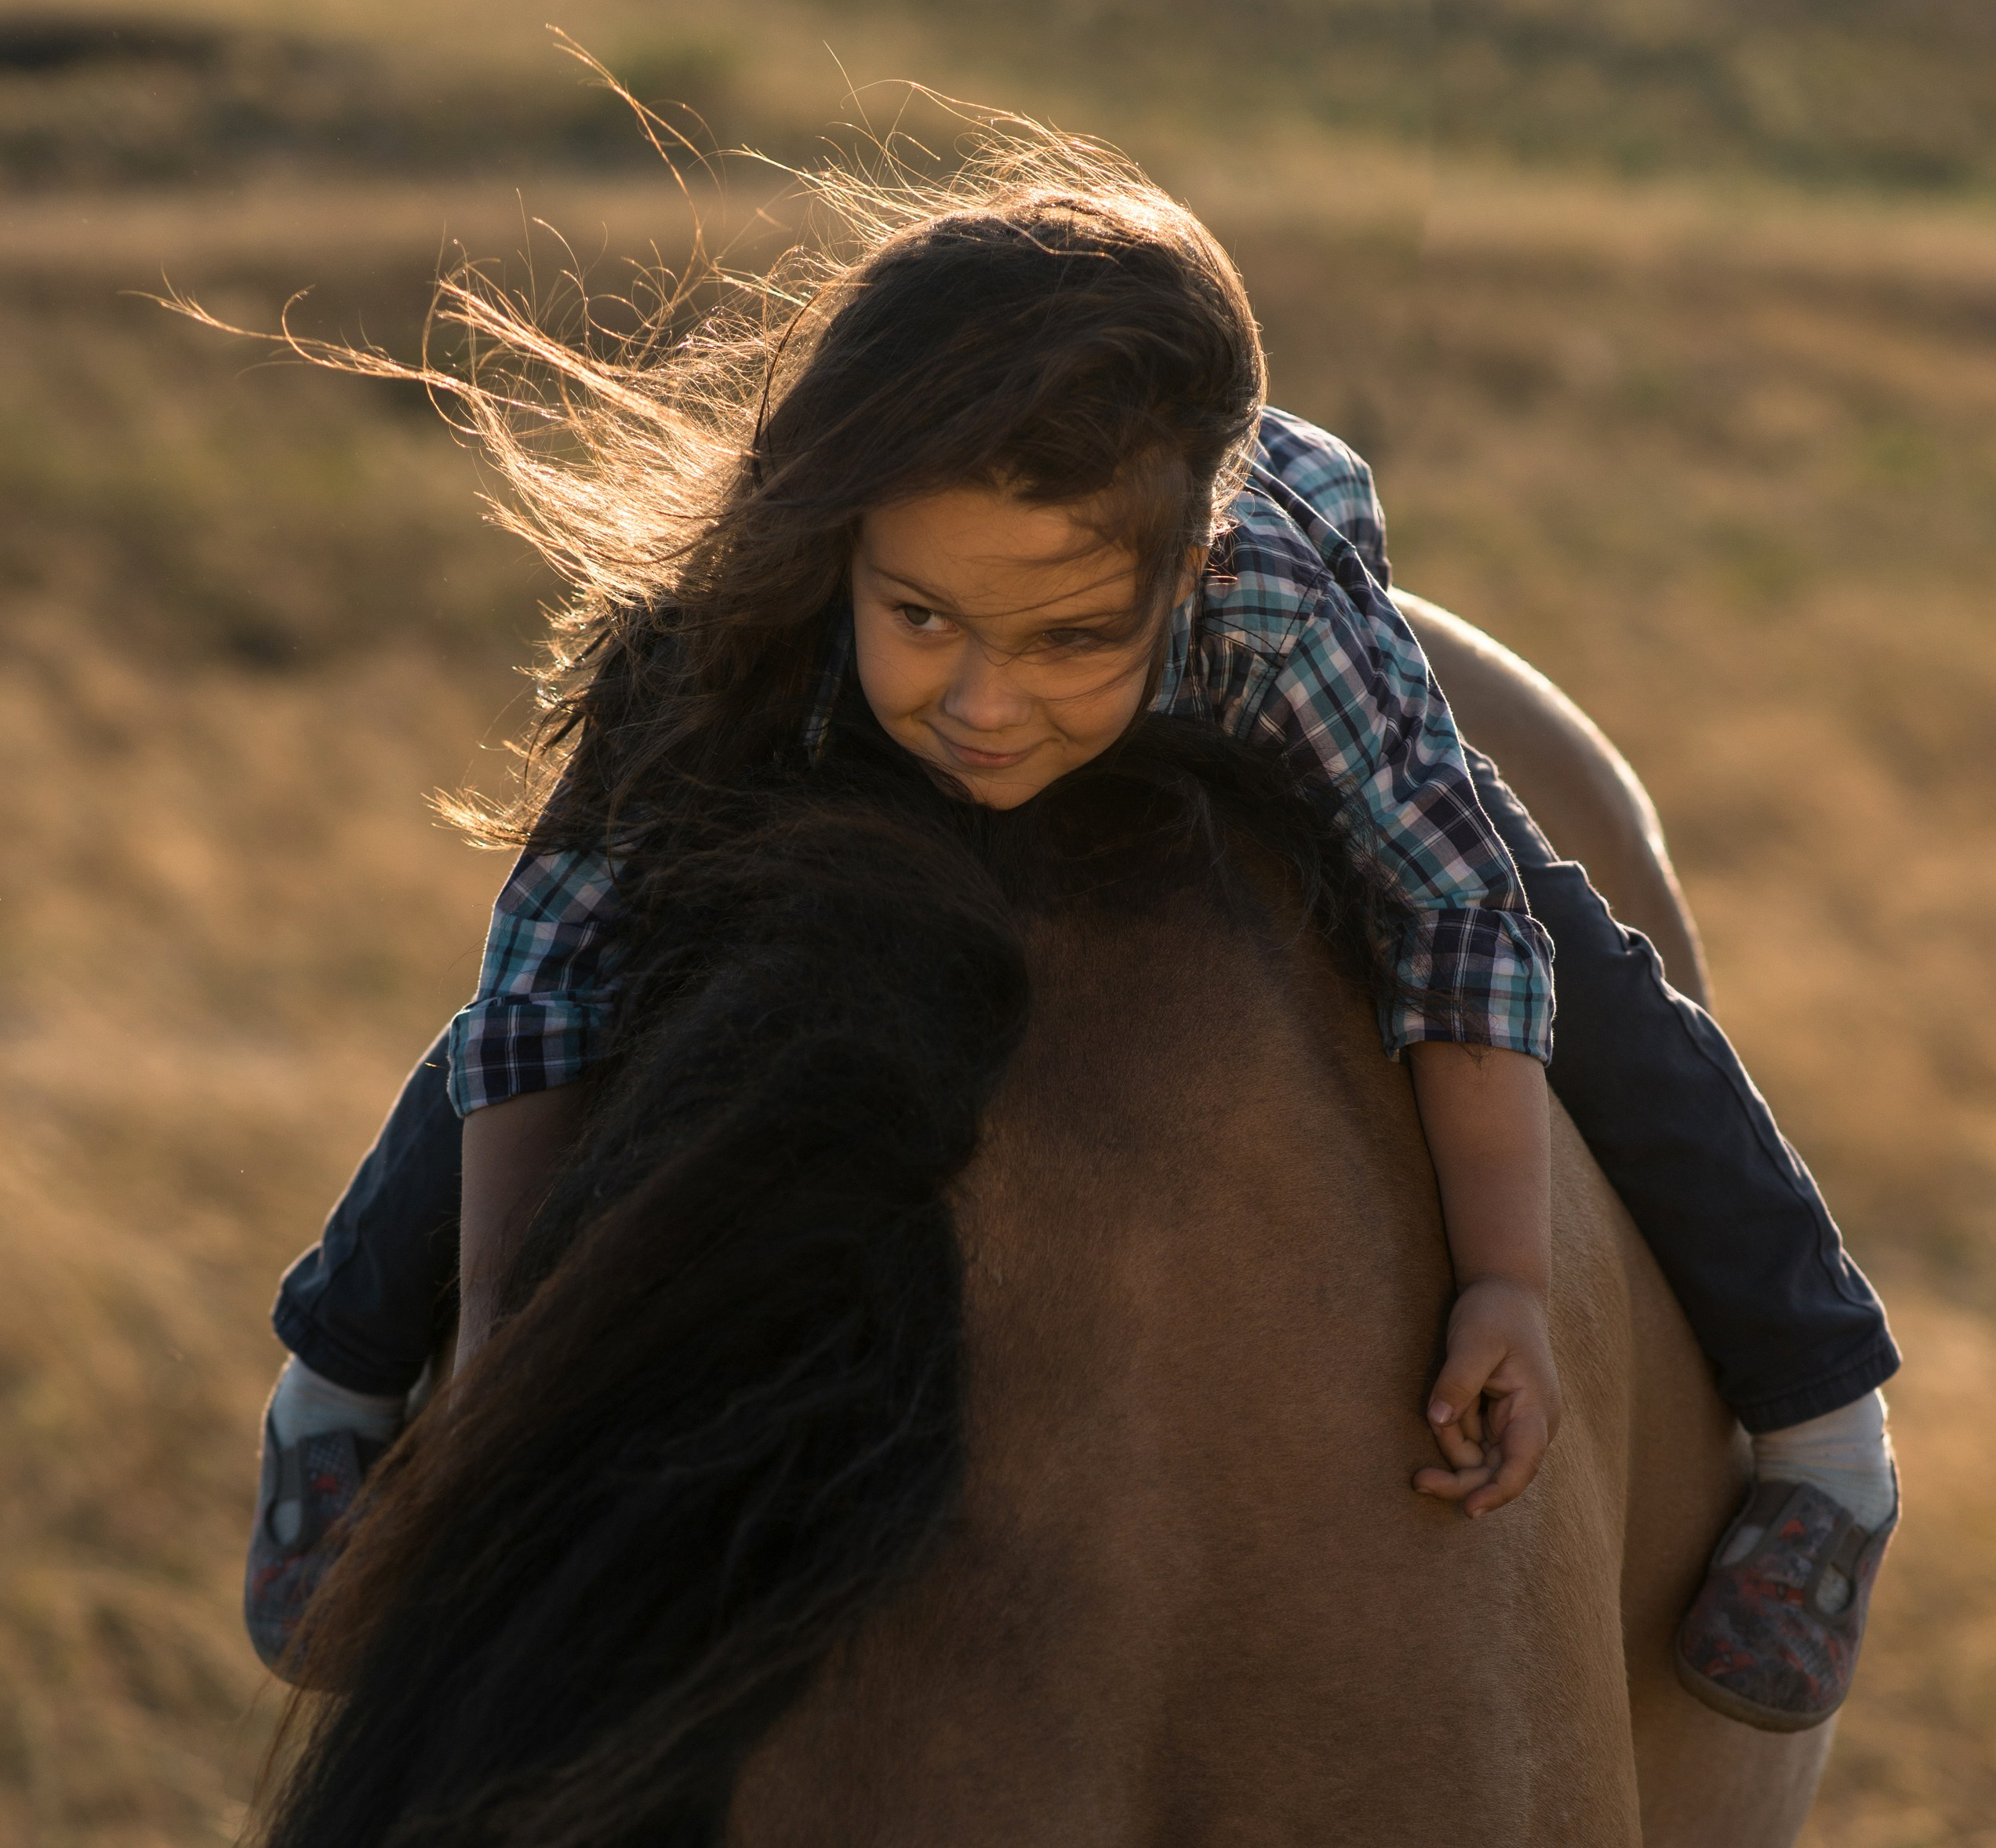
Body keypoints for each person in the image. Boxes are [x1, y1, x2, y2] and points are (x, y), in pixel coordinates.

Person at [247, 123, 1898, 1733]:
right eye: (922, 616)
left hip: (1253, 719)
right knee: (575, 967)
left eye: (1066, 637)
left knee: (1549, 931)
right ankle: (335, 1382)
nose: (980, 700)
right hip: (828, 743)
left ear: (1178, 582)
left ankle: (1826, 1426)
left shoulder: (1267, 599)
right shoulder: (745, 613)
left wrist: (1510, 1283)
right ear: (842, 542)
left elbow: (1450, 918)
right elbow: (547, 973)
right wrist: (504, 1345)